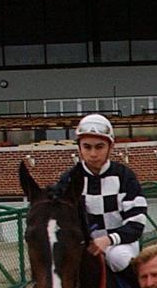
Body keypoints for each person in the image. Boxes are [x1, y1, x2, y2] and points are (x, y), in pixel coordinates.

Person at [52, 114, 148, 273]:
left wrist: (108, 240)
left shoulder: (125, 176)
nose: (93, 154)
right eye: (87, 147)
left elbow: (137, 223)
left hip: (119, 244)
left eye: (99, 147)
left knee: (119, 258)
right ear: (79, 148)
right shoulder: (68, 180)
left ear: (111, 147)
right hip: (83, 244)